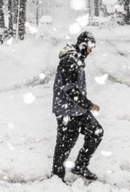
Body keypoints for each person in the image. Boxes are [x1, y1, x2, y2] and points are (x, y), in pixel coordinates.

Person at [51, 31, 103, 182]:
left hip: (78, 110)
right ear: (83, 44)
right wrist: (89, 105)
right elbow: (70, 90)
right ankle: (57, 177)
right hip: (67, 110)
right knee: (65, 144)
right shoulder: (69, 60)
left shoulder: (77, 58)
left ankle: (80, 165)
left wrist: (84, 106)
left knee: (96, 132)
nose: (91, 51)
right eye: (90, 47)